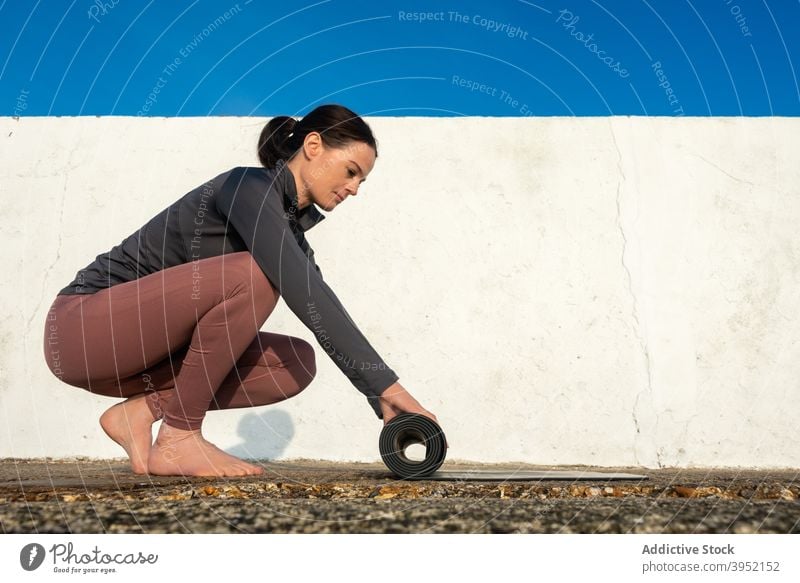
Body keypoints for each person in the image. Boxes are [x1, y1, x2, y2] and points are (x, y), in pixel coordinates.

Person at [42, 103, 442, 478]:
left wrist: (381, 400)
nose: (354, 188)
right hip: (83, 330)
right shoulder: (247, 186)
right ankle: (179, 436)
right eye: (351, 171)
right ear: (314, 145)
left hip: (145, 357)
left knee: (295, 364)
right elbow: (303, 291)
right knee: (257, 274)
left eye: (362, 180)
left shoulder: (290, 232)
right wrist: (390, 385)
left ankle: (141, 412)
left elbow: (323, 306)